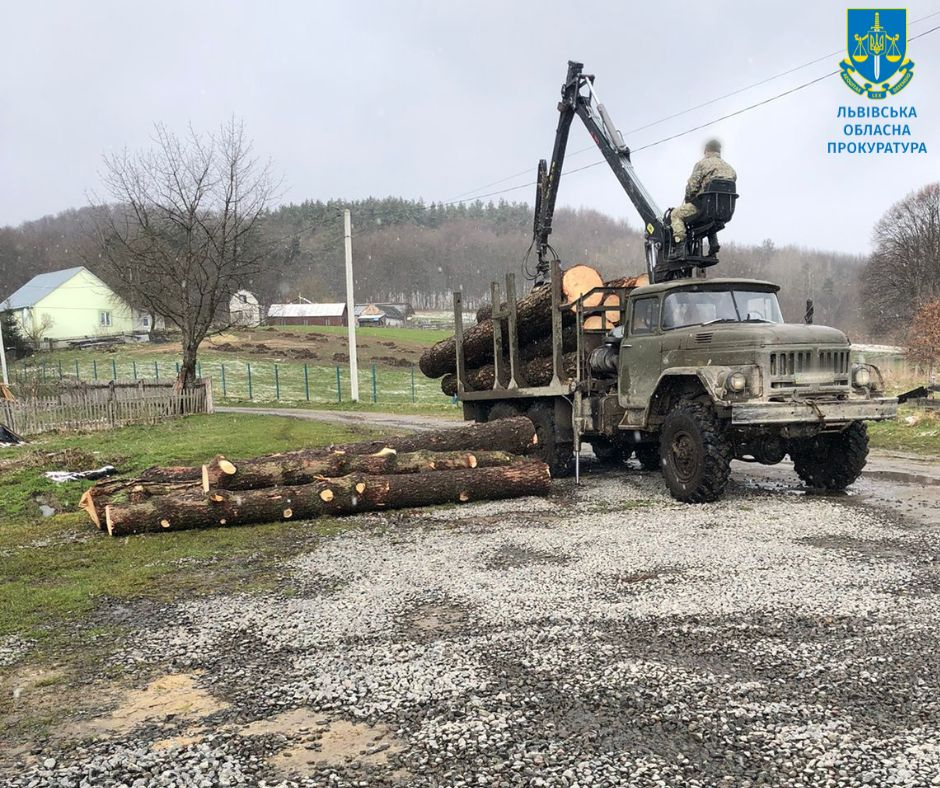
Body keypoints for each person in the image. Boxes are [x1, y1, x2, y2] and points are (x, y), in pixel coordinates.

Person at [670, 139, 736, 257]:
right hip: (724, 211)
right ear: (718, 151)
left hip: (704, 207)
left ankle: (680, 247)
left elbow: (692, 187)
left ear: (706, 151)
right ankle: (713, 244)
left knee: (676, 214)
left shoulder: (702, 164)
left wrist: (689, 198)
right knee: (710, 216)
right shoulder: (730, 169)